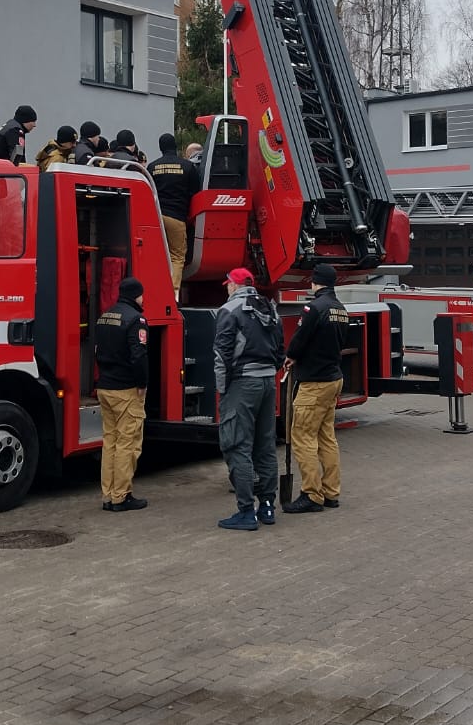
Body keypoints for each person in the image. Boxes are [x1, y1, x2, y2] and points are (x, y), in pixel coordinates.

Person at [214, 268, 284, 532]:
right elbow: (280, 349)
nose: (227, 288)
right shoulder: (270, 308)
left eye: (228, 284)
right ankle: (267, 507)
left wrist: (223, 390)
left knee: (237, 445)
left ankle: (245, 512)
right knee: (265, 446)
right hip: (268, 382)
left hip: (242, 383)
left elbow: (221, 354)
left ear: (234, 285)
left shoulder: (229, 310)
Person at [282, 262, 349, 514]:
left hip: (314, 382)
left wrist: (291, 356)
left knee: (302, 436)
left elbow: (300, 339)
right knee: (326, 437)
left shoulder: (314, 308)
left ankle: (311, 494)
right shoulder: (341, 309)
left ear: (314, 282)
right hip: (333, 378)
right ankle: (331, 492)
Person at [94, 276, 149, 512]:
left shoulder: (105, 316)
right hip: (125, 390)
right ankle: (121, 496)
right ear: (137, 295)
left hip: (105, 387)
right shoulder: (136, 319)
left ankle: (108, 495)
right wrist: (142, 383)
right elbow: (139, 356)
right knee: (128, 443)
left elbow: (97, 350)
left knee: (110, 442)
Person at [147, 134, 199, 296]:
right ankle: (172, 295)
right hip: (176, 217)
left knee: (158, 255)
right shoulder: (187, 166)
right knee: (177, 257)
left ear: (160, 148)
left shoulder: (152, 167)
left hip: (156, 218)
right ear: (175, 146)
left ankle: (155, 290)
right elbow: (195, 192)